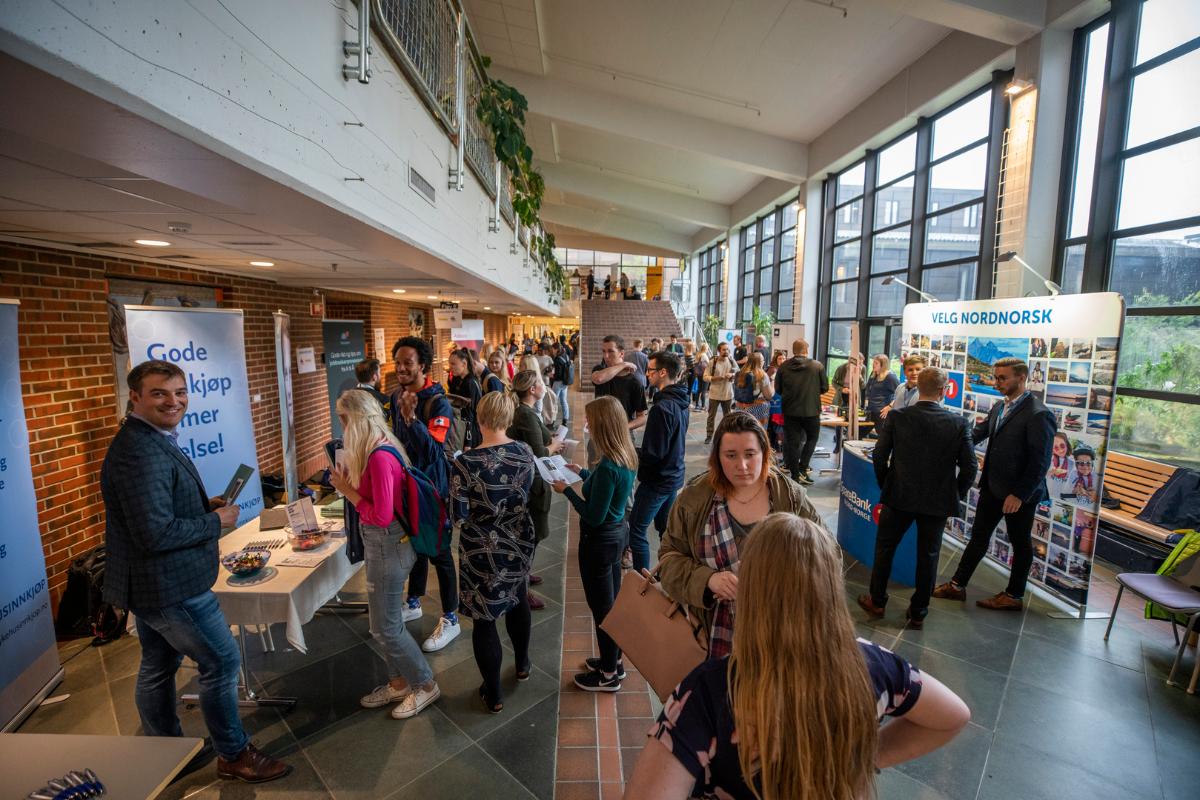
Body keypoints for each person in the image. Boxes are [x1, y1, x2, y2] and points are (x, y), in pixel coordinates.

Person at [626, 514, 971, 800]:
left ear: (757, 591)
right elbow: (953, 715)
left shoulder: (712, 690)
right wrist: (862, 757)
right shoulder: (872, 665)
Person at [101, 360, 291, 783]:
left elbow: (155, 512)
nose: (174, 401)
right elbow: (153, 533)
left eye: (180, 392)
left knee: (157, 663)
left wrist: (203, 508)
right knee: (221, 663)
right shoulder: (139, 451)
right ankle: (234, 753)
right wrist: (215, 523)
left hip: (153, 585)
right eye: (160, 393)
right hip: (171, 585)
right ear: (135, 397)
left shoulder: (148, 438)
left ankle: (167, 748)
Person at [659, 412, 822, 659]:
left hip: (782, 638)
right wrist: (707, 580)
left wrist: (782, 576)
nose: (742, 466)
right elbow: (668, 559)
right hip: (709, 638)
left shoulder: (791, 498)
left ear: (764, 453)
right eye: (731, 456)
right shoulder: (693, 499)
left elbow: (829, 558)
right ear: (717, 457)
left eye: (750, 454)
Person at [329, 390, 442, 719]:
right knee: (385, 621)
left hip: (387, 545)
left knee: (385, 628)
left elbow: (380, 515)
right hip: (387, 544)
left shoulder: (379, 456)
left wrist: (346, 490)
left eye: (343, 417)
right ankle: (397, 683)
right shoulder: (378, 447)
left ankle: (424, 684)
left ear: (357, 419)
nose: (340, 424)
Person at [857, 368, 977, 628]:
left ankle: (877, 600)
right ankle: (919, 611)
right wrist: (954, 494)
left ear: (917, 387)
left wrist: (886, 484)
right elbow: (970, 468)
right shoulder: (958, 423)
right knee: (929, 555)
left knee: (885, 548)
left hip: (898, 495)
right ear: (944, 391)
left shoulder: (899, 417)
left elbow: (880, 455)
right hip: (936, 502)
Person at [934, 357, 1057, 611]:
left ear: (1021, 378)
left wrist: (1019, 494)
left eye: (1003, 378)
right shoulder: (1001, 407)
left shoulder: (1038, 414)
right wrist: (946, 442)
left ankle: (1013, 595)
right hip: (992, 487)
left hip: (1017, 495)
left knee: (1020, 543)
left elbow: (1040, 462)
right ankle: (957, 585)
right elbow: (977, 433)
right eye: (996, 377)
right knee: (978, 537)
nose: (996, 382)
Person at [451, 392, 537, 712]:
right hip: (518, 539)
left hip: (480, 548)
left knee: (484, 619)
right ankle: (523, 663)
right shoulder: (525, 451)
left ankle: (494, 692)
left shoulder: (466, 462)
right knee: (518, 599)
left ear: (480, 418)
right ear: (509, 418)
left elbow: (459, 514)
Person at [552, 396, 637, 692]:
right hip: (617, 535)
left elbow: (594, 514)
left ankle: (608, 675)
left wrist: (566, 491)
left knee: (603, 609)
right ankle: (613, 661)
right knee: (610, 604)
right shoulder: (624, 456)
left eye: (591, 421)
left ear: (603, 424)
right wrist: (583, 474)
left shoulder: (610, 465)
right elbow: (609, 493)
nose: (587, 425)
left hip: (599, 541)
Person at [389, 336, 461, 652]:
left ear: (423, 366)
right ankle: (414, 600)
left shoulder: (437, 402)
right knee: (414, 545)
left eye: (408, 363)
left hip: (432, 490)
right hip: (404, 486)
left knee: (440, 553)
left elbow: (433, 451)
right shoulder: (396, 396)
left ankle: (451, 618)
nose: (402, 368)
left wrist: (411, 419)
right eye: (398, 363)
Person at [627, 351, 690, 573]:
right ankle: (668, 574)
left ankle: (643, 582)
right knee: (666, 530)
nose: (647, 374)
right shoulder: (681, 400)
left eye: (650, 370)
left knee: (636, 529)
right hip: (674, 476)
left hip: (658, 480)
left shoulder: (662, 408)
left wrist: (629, 451)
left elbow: (654, 453)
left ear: (663, 372)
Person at [507, 369, 562, 611]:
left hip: (533, 480)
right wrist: (556, 445)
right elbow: (538, 453)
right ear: (532, 389)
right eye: (540, 382)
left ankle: (523, 576)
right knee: (530, 537)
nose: (544, 385)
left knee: (532, 535)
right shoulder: (525, 415)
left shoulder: (527, 412)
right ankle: (520, 589)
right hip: (532, 483)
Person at [774, 338, 828, 486]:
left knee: (792, 443)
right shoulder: (817, 366)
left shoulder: (783, 367)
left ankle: (795, 474)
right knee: (812, 438)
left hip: (790, 411)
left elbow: (777, 389)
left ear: (793, 351)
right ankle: (803, 468)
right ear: (806, 350)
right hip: (811, 411)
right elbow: (825, 388)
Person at [590, 334, 648, 434]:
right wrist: (624, 364)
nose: (606, 356)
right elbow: (599, 379)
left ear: (621, 354)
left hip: (622, 433)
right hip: (599, 431)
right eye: (604, 351)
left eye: (610, 351)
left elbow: (642, 417)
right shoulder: (599, 370)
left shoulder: (634, 382)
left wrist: (624, 428)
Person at [447, 348, 483, 449]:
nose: (450, 367)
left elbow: (469, 414)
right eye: (450, 364)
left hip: (470, 433)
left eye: (453, 364)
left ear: (464, 364)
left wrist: (468, 442)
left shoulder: (470, 383)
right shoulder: (459, 380)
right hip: (461, 430)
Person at [703, 341, 737, 444]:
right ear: (719, 351)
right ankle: (709, 435)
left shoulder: (731, 361)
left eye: (727, 349)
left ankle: (728, 435)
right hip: (714, 394)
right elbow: (705, 377)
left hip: (727, 394)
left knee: (728, 416)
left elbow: (738, 373)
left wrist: (732, 375)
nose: (726, 351)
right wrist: (716, 378)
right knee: (711, 416)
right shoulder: (712, 362)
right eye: (724, 349)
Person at [831, 352, 866, 452]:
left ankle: (849, 445)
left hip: (854, 398)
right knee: (839, 422)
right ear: (851, 361)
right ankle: (838, 444)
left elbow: (863, 386)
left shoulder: (862, 369)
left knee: (852, 421)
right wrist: (842, 389)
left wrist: (859, 376)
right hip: (842, 397)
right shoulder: (842, 368)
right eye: (859, 362)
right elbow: (834, 381)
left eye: (862, 362)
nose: (860, 365)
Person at [732, 352, 774, 425]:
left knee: (741, 431)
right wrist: (772, 385)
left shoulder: (740, 373)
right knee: (758, 433)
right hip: (757, 409)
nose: (764, 362)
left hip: (739, 408)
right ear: (760, 362)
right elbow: (768, 396)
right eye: (763, 360)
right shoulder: (762, 375)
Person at [864, 353, 900, 428]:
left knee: (883, 436)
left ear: (883, 365)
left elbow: (900, 393)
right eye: (873, 362)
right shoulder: (873, 374)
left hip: (881, 413)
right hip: (870, 411)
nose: (873, 364)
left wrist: (890, 406)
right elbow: (867, 388)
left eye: (876, 363)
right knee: (860, 432)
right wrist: (866, 399)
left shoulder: (890, 377)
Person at [1047, 431, 1074, 499]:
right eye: (1056, 447)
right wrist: (1052, 472)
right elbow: (1038, 477)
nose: (1060, 450)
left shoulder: (1072, 463)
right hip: (1046, 496)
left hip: (1061, 498)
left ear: (1067, 444)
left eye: (1062, 446)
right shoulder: (1047, 459)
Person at [550, 342, 572, 423]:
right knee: (563, 401)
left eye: (553, 349)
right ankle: (565, 419)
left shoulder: (557, 359)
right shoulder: (566, 356)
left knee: (553, 401)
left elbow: (558, 374)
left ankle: (552, 420)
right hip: (565, 382)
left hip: (558, 383)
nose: (552, 351)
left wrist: (551, 376)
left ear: (556, 349)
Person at [693, 342, 711, 411]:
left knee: (699, 389)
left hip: (699, 374)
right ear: (705, 348)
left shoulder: (698, 354)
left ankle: (697, 405)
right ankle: (703, 406)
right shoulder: (704, 355)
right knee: (704, 390)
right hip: (704, 374)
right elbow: (708, 365)